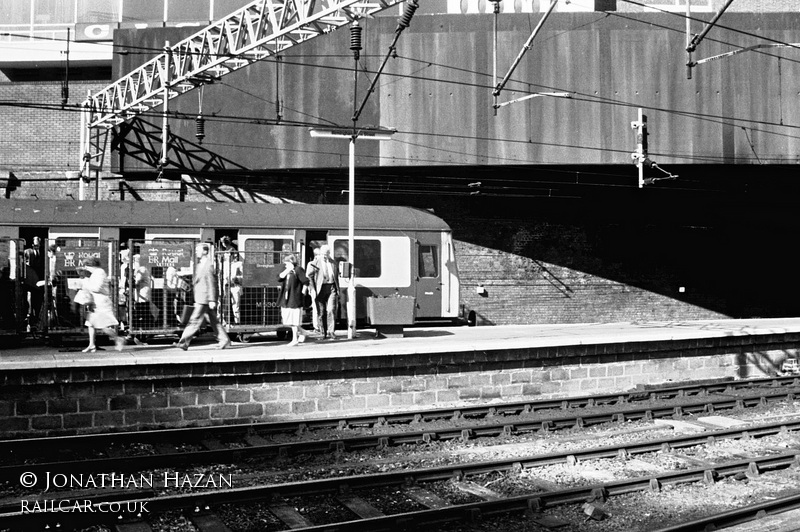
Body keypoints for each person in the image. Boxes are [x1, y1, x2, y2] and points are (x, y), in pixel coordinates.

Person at [176, 243, 231, 351]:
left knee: (194, 320)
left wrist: (211, 299)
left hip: (205, 298)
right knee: (214, 321)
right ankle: (224, 340)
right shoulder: (200, 264)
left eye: (198, 249)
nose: (196, 251)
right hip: (201, 298)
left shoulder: (208, 265)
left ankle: (183, 342)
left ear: (205, 251)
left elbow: (211, 283)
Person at [80, 257, 125, 353]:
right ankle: (92, 345)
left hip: (101, 303)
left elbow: (97, 288)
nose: (85, 268)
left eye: (86, 266)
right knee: (90, 323)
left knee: (103, 326)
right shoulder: (95, 274)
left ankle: (118, 339)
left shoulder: (100, 273)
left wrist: (84, 283)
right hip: (96, 302)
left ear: (90, 265)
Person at [307, 244, 339, 340]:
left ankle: (331, 331)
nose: (325, 256)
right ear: (320, 254)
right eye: (323, 254)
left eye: (327, 254)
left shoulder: (333, 263)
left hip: (331, 287)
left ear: (329, 254)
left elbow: (336, 277)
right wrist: (312, 289)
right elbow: (309, 276)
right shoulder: (314, 263)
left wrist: (338, 289)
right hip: (319, 289)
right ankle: (323, 332)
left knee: (331, 310)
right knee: (321, 312)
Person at [278, 254, 309, 346]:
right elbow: (279, 278)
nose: (285, 265)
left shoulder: (298, 270)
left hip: (294, 298)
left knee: (294, 319)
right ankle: (303, 332)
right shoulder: (286, 270)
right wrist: (287, 270)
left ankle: (295, 339)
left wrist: (303, 292)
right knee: (288, 319)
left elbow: (305, 281)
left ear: (291, 262)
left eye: (287, 263)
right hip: (286, 298)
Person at [305, 247, 321, 334]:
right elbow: (309, 277)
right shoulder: (311, 264)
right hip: (314, 289)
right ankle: (316, 326)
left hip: (319, 289)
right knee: (316, 307)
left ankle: (319, 325)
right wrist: (311, 289)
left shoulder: (322, 263)